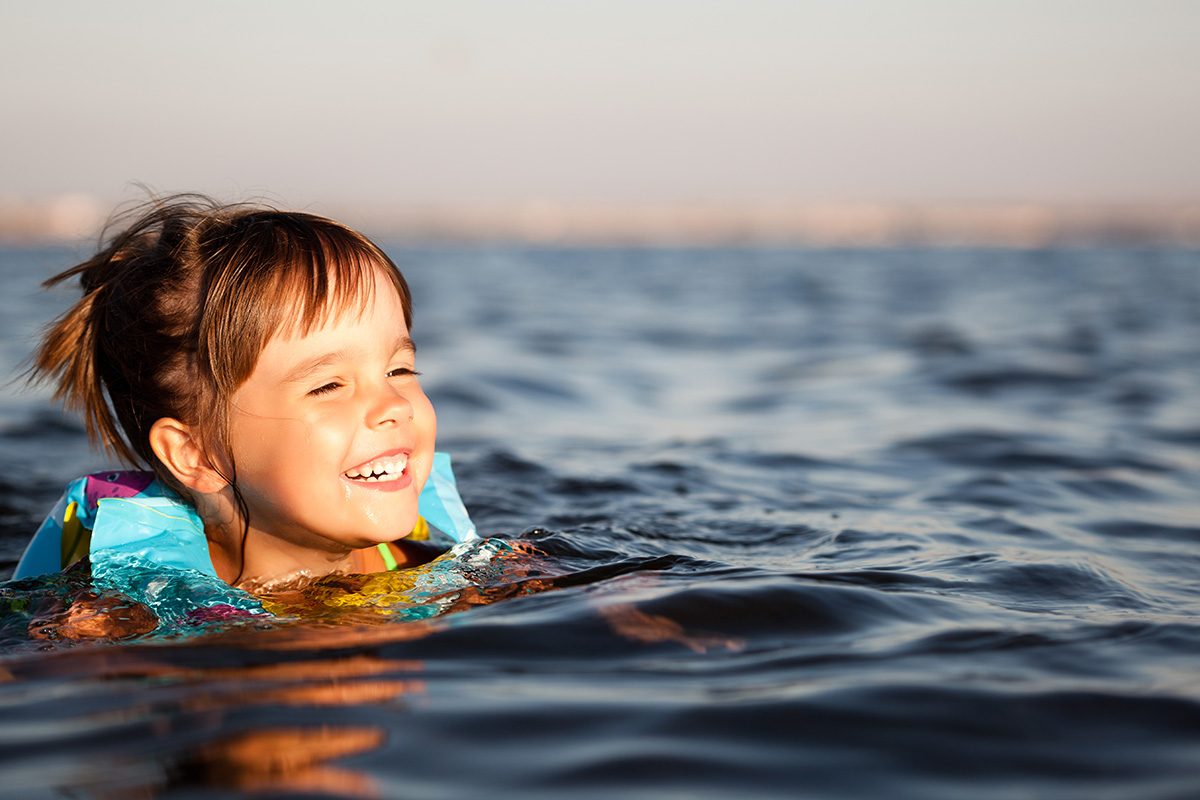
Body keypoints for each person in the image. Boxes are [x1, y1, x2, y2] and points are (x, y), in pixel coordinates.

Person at [12, 195, 476, 623]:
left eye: (399, 370)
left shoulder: (453, 574)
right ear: (197, 455)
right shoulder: (117, 617)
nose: (393, 404)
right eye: (329, 385)